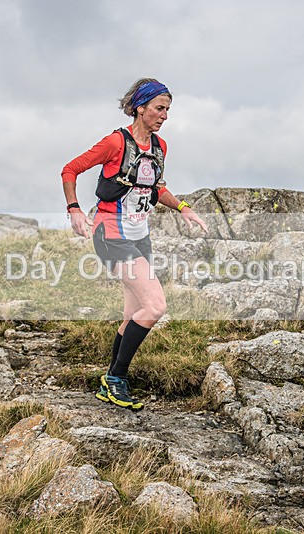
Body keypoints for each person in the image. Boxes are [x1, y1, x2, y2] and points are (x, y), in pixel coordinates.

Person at [61, 78, 208, 411]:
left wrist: (184, 209)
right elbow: (70, 170)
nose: (164, 115)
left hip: (140, 236)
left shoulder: (160, 147)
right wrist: (73, 210)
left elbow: (156, 189)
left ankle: (111, 378)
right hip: (110, 235)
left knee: (133, 313)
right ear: (140, 108)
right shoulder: (115, 143)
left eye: (168, 109)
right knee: (155, 306)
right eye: (159, 108)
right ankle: (117, 378)